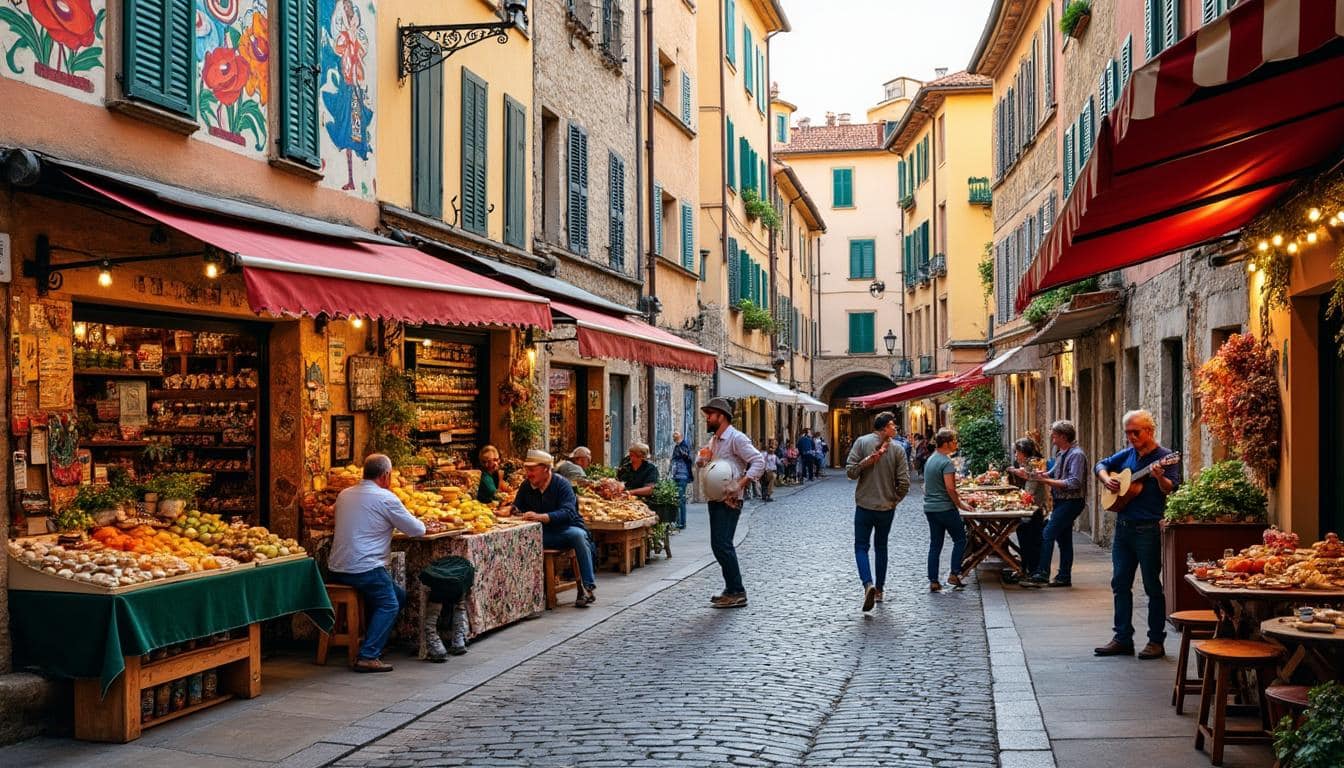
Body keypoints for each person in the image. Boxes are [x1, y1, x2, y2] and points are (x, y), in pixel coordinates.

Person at [1094, 410, 1182, 660]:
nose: (1131, 437)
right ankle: (1122, 638)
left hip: (1148, 529)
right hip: (1123, 528)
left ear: (1150, 431)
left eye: (1136, 432)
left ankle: (1156, 641)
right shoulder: (1128, 454)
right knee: (1120, 583)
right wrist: (1106, 480)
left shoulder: (1166, 457)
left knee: (1152, 586)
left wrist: (1160, 477)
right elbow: (1100, 465)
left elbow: (1170, 489)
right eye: (1128, 433)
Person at [327, 453, 427, 672]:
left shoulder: (344, 494)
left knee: (397, 596)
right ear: (386, 475)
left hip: (337, 566)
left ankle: (374, 640)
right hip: (364, 568)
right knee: (389, 603)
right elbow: (417, 529)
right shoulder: (386, 498)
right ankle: (368, 655)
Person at [696, 397, 765, 609]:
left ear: (722, 416)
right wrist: (702, 459)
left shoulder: (737, 438)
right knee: (719, 545)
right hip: (716, 497)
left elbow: (758, 461)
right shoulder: (715, 440)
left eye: (710, 415)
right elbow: (705, 462)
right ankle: (731, 589)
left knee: (723, 544)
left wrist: (740, 484)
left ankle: (737, 591)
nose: (707, 418)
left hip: (730, 500)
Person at [506, 449, 596, 607]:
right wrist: (510, 509)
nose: (528, 474)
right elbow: (517, 506)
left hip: (564, 530)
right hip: (541, 534)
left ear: (546, 469)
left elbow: (568, 512)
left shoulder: (562, 484)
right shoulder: (527, 486)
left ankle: (587, 587)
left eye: (532, 469)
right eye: (527, 469)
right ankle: (525, 594)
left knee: (578, 536)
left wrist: (541, 517)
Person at [846, 411, 911, 611]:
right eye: (892, 425)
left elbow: (850, 472)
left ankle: (868, 584)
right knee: (881, 547)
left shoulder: (861, 442)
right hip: (886, 507)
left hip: (864, 504)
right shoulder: (898, 449)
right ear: (884, 428)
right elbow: (904, 482)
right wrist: (895, 499)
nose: (895, 428)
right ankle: (880, 589)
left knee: (861, 547)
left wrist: (864, 464)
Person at [1021, 421, 1087, 588]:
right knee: (1064, 540)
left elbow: (1074, 482)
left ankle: (1042, 573)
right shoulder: (1060, 453)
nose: (1052, 439)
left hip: (1071, 501)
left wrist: (1046, 480)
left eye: (1055, 436)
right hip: (1061, 501)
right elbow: (1053, 473)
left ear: (1063, 437)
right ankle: (1064, 576)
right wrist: (1039, 474)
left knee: (1047, 533)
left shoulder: (1077, 455)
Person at [924, 428, 972, 592]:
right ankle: (954, 573)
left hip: (931, 508)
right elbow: (950, 488)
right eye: (954, 441)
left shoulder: (931, 459)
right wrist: (961, 505)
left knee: (935, 544)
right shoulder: (946, 462)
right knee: (960, 539)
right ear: (946, 443)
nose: (956, 443)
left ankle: (933, 580)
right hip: (945, 508)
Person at [1004, 437, 1048, 583]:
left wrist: (1015, 499)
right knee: (1026, 534)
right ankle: (1026, 568)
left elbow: (1030, 490)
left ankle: (1032, 571)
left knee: (1030, 538)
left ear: (1023, 452)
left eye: (1017, 452)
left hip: (1034, 509)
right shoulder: (1032, 462)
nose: (1015, 455)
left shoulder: (1032, 463)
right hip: (1034, 508)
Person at [670, 432, 694, 530]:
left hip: (682, 476)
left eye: (675, 436)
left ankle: (682, 523)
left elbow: (688, 458)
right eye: (673, 436)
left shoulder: (684, 446)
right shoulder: (677, 446)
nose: (674, 438)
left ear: (680, 437)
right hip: (676, 475)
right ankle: (678, 521)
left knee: (680, 499)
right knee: (677, 499)